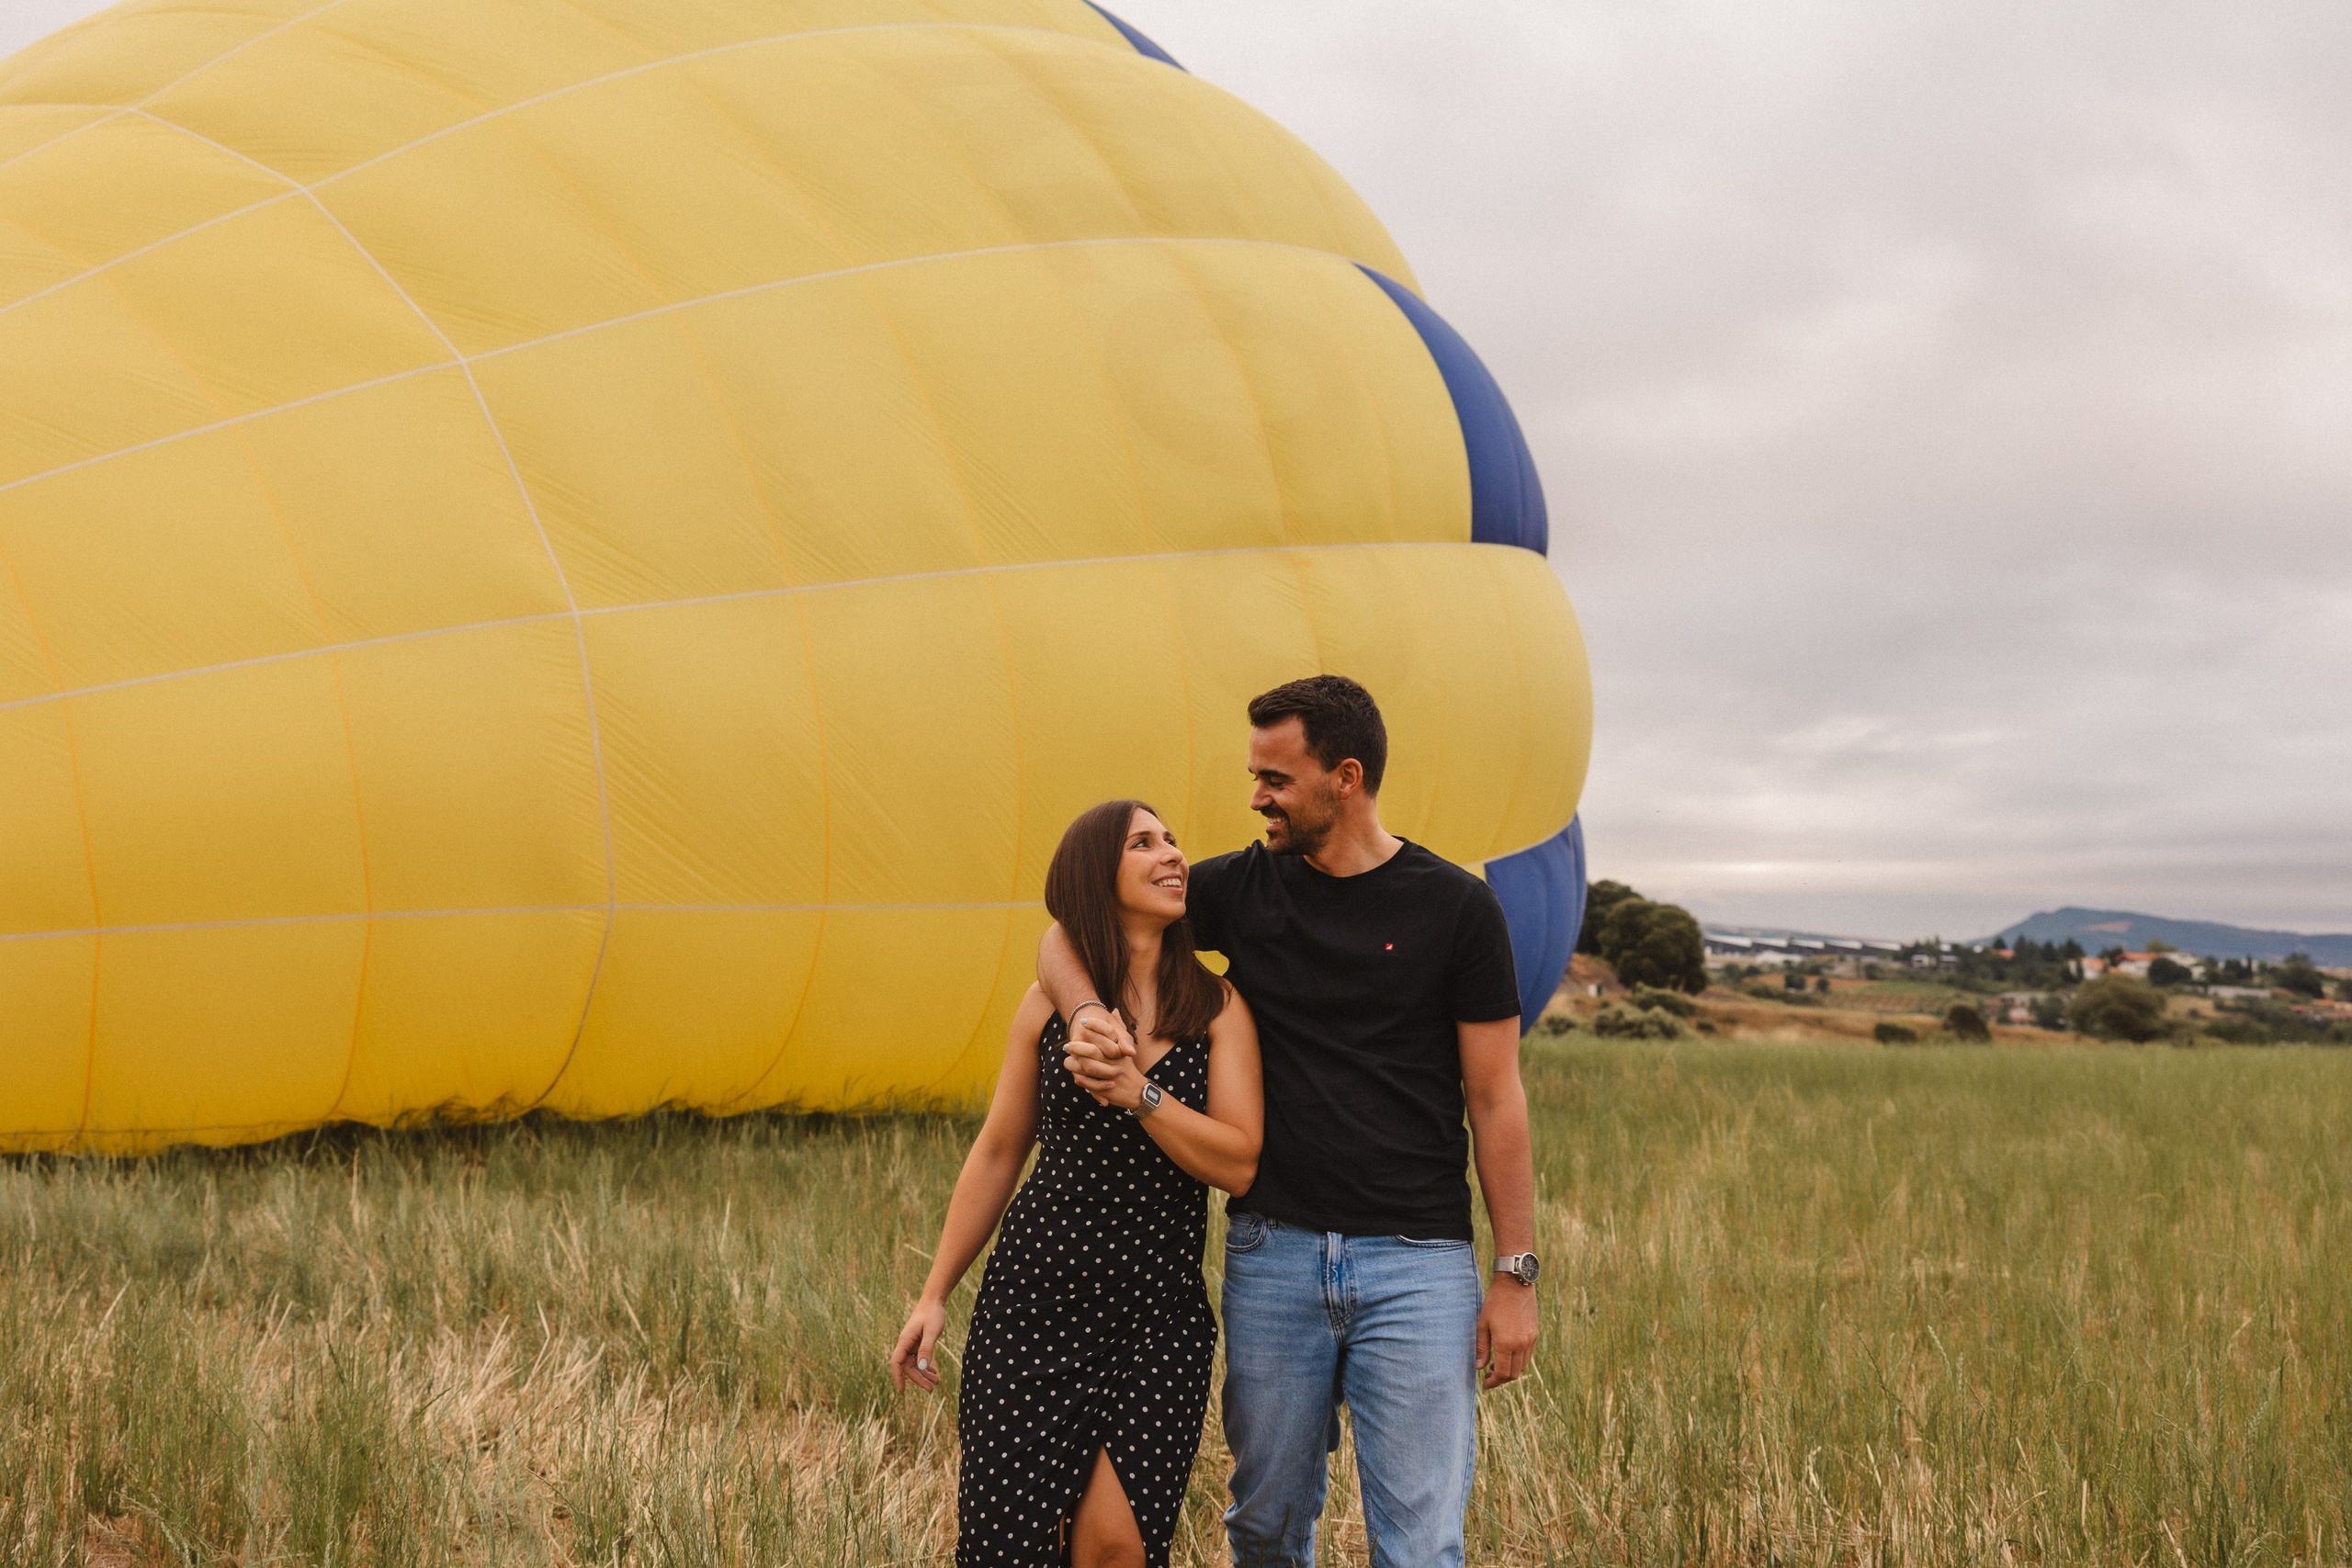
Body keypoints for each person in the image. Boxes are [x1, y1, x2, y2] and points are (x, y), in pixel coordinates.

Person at [1052, 675, 1539, 1568]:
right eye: (1254, 775)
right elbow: (1074, 922)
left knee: (1421, 1546)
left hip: (1419, 1264)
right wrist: (1087, 1012)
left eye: (1275, 778)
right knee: (1266, 1528)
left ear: (1343, 777)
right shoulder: (1241, 888)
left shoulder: (1455, 907)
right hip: (1272, 1254)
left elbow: (1497, 1096)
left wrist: (1514, 1275)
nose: (1256, 797)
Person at [891, 799, 1264, 1568]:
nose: (1171, 854)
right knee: (1010, 1548)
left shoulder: (1219, 1007)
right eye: (1143, 843)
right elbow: (998, 1152)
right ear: (1099, 874)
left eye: (1172, 840)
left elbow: (1239, 1162)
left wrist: (1142, 1093)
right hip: (1035, 1300)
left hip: (1158, 1313)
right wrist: (933, 1293)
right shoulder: (1049, 1005)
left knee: (1118, 1547)